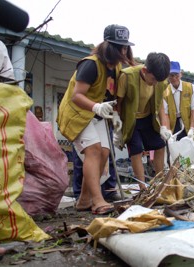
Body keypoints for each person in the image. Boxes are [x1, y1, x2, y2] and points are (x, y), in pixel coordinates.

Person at [57, 24, 135, 215]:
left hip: (96, 115)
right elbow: (77, 95)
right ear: (108, 46)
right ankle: (97, 200)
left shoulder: (115, 68)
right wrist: (96, 106)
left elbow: (109, 94)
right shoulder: (90, 64)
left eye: (125, 47)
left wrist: (115, 115)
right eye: (119, 47)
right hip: (77, 114)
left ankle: (83, 200)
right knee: (93, 151)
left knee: (104, 152)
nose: (123, 51)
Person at [115, 52, 170, 191]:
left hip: (147, 117)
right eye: (153, 79)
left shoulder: (160, 81)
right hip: (130, 119)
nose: (155, 83)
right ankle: (142, 186)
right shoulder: (127, 76)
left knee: (159, 145)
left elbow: (160, 105)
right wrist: (117, 125)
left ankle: (160, 182)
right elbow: (118, 103)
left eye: (158, 80)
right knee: (137, 149)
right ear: (145, 71)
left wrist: (164, 126)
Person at [162, 61, 194, 141]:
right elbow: (165, 114)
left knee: (193, 146)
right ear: (167, 76)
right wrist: (168, 130)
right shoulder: (165, 92)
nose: (174, 78)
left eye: (176, 75)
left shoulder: (191, 87)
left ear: (181, 74)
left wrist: (192, 128)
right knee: (176, 149)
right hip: (174, 124)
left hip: (190, 121)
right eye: (171, 75)